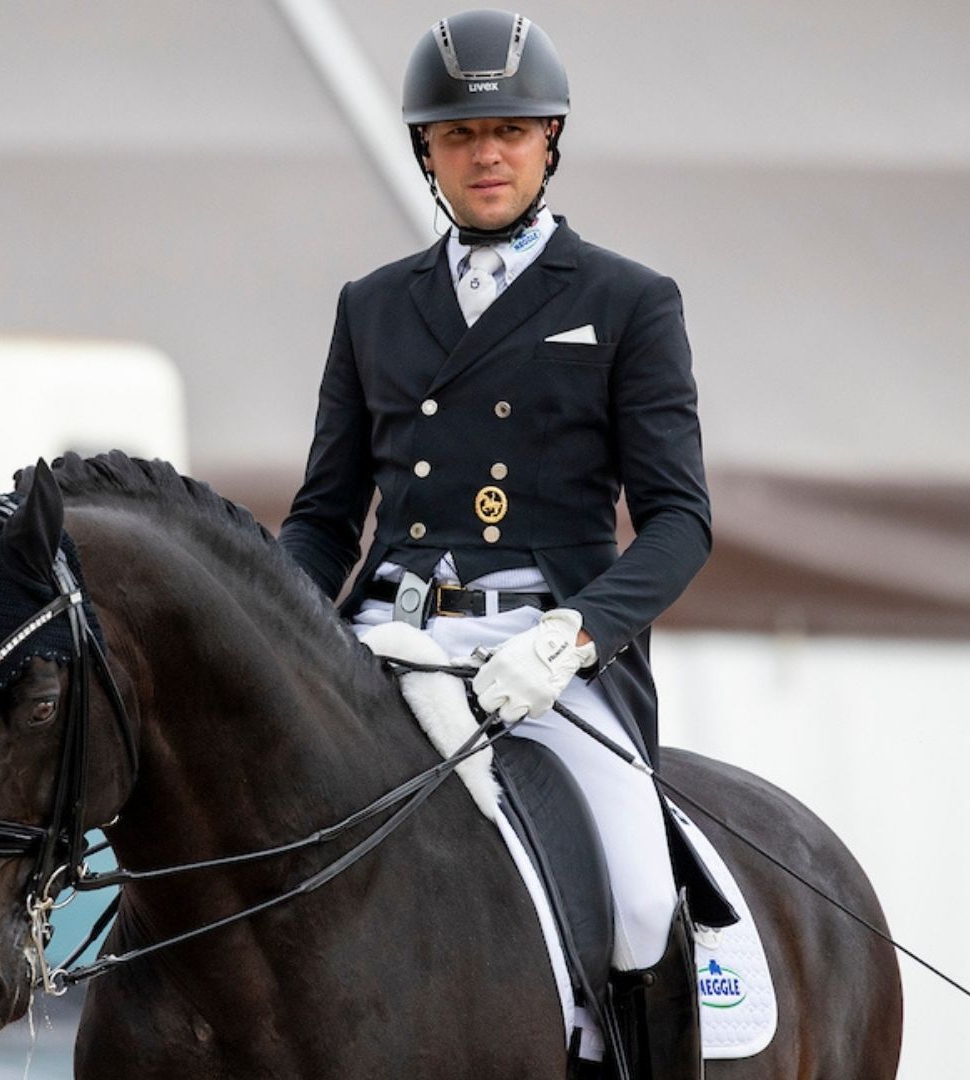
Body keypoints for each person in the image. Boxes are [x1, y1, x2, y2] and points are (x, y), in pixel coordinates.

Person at [277, 9, 711, 1079]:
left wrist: (573, 638)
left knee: (646, 897)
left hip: (542, 653)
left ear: (549, 139)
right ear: (427, 150)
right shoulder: (373, 307)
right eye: (462, 136)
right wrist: (277, 625)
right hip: (387, 642)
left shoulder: (625, 302)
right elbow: (328, 516)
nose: (488, 154)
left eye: (512, 130)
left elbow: (678, 523)